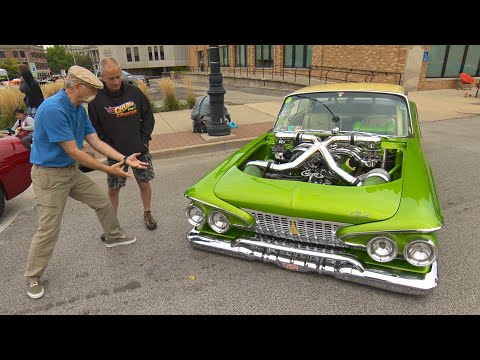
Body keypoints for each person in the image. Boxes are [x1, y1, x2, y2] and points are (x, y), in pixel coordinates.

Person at [24, 65, 149, 300]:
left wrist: (123, 159)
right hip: (49, 176)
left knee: (102, 201)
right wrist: (107, 168)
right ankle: (32, 277)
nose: (95, 92)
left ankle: (113, 236)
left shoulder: (78, 109)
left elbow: (94, 141)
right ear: (77, 86)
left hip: (70, 172)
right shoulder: (53, 109)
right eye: (92, 88)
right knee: (49, 228)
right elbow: (73, 151)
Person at [88, 57, 157, 233]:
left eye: (118, 76)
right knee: (113, 189)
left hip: (138, 150)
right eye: (111, 78)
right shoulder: (96, 99)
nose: (116, 81)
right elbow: (95, 128)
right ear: (102, 77)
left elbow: (148, 116)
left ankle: (147, 212)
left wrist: (144, 140)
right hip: (115, 154)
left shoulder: (134, 92)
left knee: (144, 183)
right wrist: (110, 147)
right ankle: (112, 223)